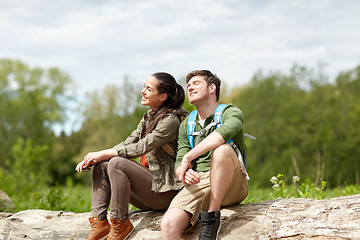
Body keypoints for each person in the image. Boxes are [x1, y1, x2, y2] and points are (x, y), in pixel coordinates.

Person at [76, 72, 188, 240]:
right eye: (144, 87)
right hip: (150, 192)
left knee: (117, 163)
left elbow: (141, 147)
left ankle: (120, 223)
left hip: (167, 194)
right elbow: (128, 143)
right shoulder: (149, 117)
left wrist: (103, 153)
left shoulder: (170, 121)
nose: (143, 91)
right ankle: (100, 223)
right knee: (103, 165)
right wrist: (98, 156)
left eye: (148, 89)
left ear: (163, 96)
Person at [160, 70, 249, 240]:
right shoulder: (187, 124)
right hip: (200, 182)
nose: (190, 88)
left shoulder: (230, 112)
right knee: (168, 224)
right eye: (188, 86)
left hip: (233, 182)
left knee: (221, 149)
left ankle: (212, 217)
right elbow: (180, 158)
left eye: (196, 83)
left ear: (211, 88)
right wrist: (183, 171)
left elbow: (222, 134)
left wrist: (188, 158)